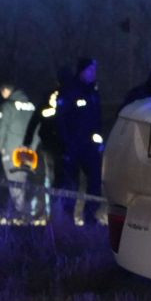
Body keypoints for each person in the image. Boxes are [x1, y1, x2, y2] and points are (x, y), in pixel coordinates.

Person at [57, 58, 105, 225]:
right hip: (72, 145)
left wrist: (99, 141)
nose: (93, 74)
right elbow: (62, 119)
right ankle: (67, 219)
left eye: (94, 71)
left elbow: (97, 118)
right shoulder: (70, 90)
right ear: (82, 71)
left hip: (90, 146)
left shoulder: (93, 92)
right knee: (71, 183)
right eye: (90, 70)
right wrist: (66, 145)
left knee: (95, 181)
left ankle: (90, 216)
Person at [23, 67, 71, 222]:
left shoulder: (68, 97)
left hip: (60, 144)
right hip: (53, 144)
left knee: (57, 178)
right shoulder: (54, 97)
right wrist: (27, 142)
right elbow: (36, 119)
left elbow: (35, 121)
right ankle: (56, 213)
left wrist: (28, 141)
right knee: (54, 178)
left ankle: (60, 212)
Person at [0, 83, 40, 218]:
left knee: (14, 180)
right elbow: (38, 129)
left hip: (11, 150)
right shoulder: (32, 107)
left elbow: (2, 128)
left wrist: (0, 147)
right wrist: (32, 148)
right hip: (28, 152)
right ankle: (29, 210)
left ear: (6, 90)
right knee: (23, 179)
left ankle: (20, 212)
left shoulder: (7, 106)